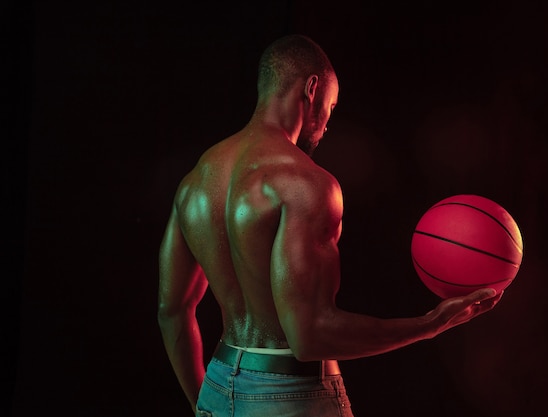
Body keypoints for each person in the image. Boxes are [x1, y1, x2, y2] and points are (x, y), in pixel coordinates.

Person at [157, 34, 502, 417]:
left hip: (219, 387)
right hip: (291, 397)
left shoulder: (195, 182)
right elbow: (309, 336)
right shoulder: (307, 185)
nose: (327, 125)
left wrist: (201, 403)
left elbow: (171, 310)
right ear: (312, 88)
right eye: (331, 107)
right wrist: (430, 324)